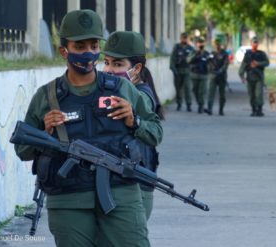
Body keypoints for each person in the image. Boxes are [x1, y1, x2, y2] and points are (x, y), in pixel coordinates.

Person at [14, 9, 162, 247]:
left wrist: (135, 121)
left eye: (94, 46)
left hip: (120, 195)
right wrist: (45, 129)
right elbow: (22, 150)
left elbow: (156, 133)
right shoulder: (47, 96)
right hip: (68, 199)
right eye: (80, 47)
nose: (88, 53)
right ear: (64, 51)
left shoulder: (121, 89)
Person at [102, 31, 165, 221]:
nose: (109, 70)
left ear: (136, 68)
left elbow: (148, 119)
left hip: (137, 186)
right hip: (116, 180)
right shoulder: (110, 90)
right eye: (106, 62)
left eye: (118, 64)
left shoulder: (141, 95)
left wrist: (133, 118)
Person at [239, 37, 269, 117]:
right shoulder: (248, 54)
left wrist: (257, 63)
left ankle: (259, 110)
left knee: (259, 94)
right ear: (251, 44)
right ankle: (253, 109)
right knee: (251, 94)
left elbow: (267, 63)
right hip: (250, 77)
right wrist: (242, 75)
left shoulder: (261, 54)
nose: (255, 44)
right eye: (254, 43)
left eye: (256, 43)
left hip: (259, 77)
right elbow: (243, 65)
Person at [170, 32, 195, 111]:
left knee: (187, 88)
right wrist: (174, 70)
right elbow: (172, 59)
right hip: (178, 71)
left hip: (187, 71)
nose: (184, 39)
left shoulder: (191, 48)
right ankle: (179, 104)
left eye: (186, 37)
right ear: (180, 38)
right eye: (183, 37)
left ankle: (188, 105)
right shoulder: (176, 47)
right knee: (178, 89)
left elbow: (194, 60)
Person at [206, 37, 229, 116]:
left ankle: (221, 109)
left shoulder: (224, 54)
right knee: (210, 93)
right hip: (213, 76)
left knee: (222, 94)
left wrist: (221, 71)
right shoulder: (211, 54)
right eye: (215, 44)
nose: (217, 46)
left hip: (221, 76)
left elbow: (226, 64)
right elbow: (208, 63)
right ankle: (209, 108)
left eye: (218, 44)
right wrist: (210, 71)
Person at [188, 37, 210, 114]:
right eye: (199, 43)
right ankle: (200, 103)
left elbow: (210, 63)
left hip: (204, 75)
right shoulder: (193, 52)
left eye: (202, 42)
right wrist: (196, 54)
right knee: (195, 90)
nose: (200, 44)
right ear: (196, 44)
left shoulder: (207, 53)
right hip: (194, 74)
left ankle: (201, 106)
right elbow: (188, 60)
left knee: (202, 91)